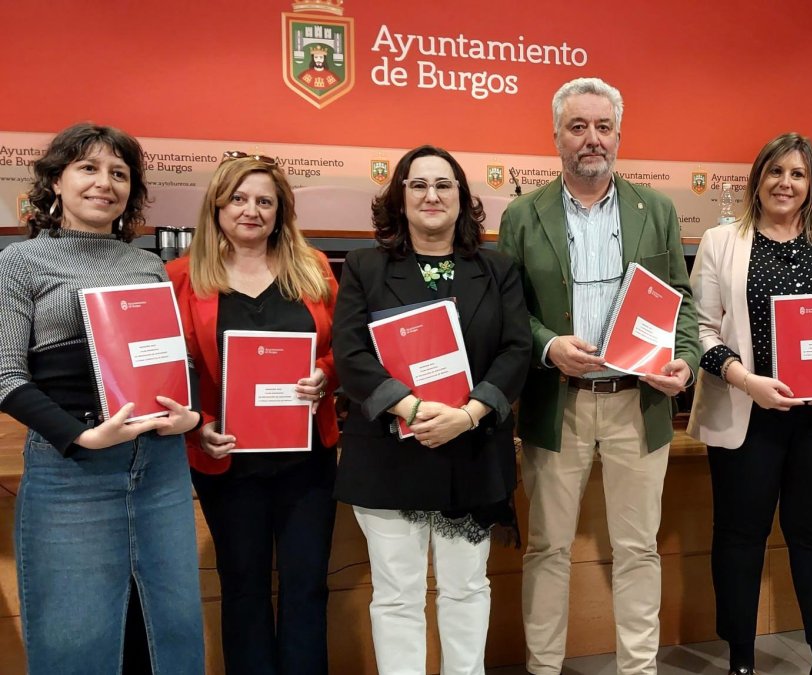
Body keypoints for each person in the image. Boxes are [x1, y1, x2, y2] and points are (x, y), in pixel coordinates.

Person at [498, 77, 700, 675]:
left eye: (603, 127)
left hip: (638, 403)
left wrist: (683, 360)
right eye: (578, 127)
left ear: (619, 134)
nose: (592, 140)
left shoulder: (656, 210)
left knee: (639, 551)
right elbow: (509, 312)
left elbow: (680, 300)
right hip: (554, 405)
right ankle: (543, 667)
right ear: (556, 135)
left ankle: (638, 669)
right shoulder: (521, 215)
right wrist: (547, 345)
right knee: (547, 549)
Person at [0, 122, 204, 674]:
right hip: (74, 469)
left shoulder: (147, 266)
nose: (104, 183)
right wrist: (81, 435)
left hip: (160, 467)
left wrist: (190, 414)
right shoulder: (20, 264)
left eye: (118, 173)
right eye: (88, 168)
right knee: (75, 635)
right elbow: (5, 374)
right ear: (56, 182)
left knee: (172, 628)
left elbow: (172, 363)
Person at [687, 132, 812, 675]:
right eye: (775, 172)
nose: (785, 183)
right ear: (757, 179)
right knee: (740, 536)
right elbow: (700, 329)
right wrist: (747, 380)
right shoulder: (722, 240)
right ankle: (742, 659)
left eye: (797, 174)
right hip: (750, 414)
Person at [333, 144, 531, 675]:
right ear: (399, 197)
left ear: (462, 198)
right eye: (418, 184)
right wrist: (415, 409)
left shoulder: (497, 269)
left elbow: (517, 350)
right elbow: (350, 355)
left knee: (467, 588)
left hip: (472, 453)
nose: (431, 195)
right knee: (396, 595)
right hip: (390, 460)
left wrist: (469, 413)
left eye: (444, 185)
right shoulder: (364, 267)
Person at [166, 152, 339, 675]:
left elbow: (344, 350)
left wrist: (326, 375)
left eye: (265, 201)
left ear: (281, 211)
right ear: (217, 206)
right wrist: (200, 425)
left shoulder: (314, 269)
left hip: (307, 461)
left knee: (307, 586)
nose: (251, 210)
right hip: (227, 461)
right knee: (243, 589)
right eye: (238, 198)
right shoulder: (180, 276)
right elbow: (172, 369)